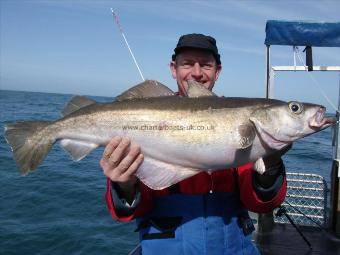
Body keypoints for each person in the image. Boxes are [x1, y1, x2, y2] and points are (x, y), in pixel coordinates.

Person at [101, 33, 287, 255]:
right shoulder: (142, 121)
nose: (197, 73)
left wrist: (270, 167)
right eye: (188, 64)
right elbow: (129, 210)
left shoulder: (240, 123)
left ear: (217, 71)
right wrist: (125, 185)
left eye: (206, 65)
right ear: (174, 69)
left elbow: (260, 204)